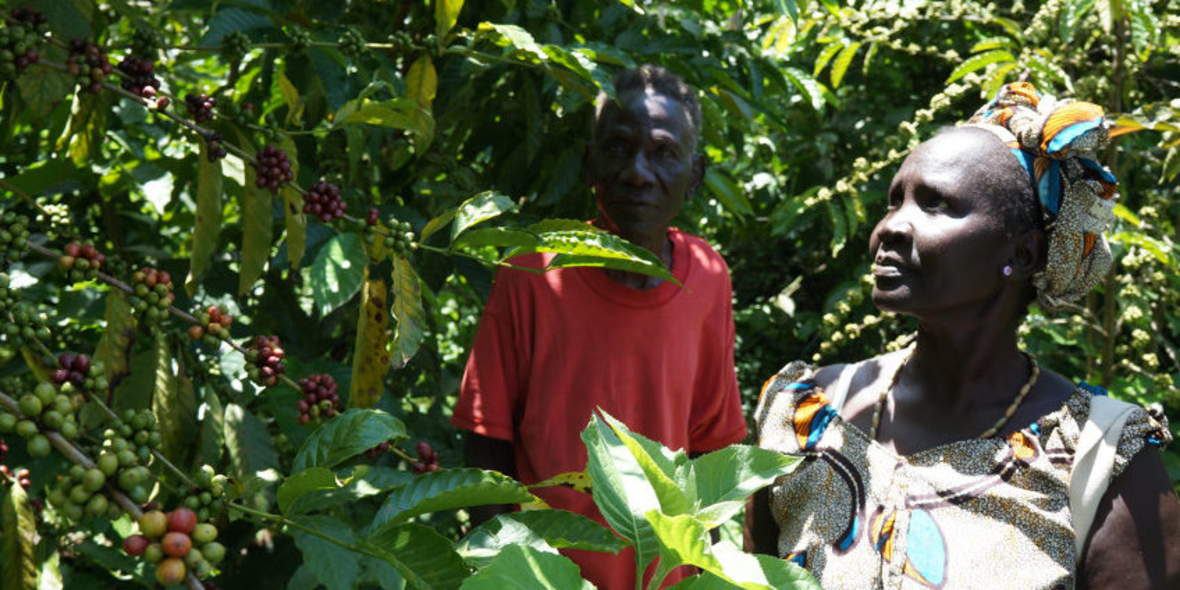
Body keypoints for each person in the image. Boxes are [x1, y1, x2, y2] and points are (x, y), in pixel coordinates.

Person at [747, 82, 1180, 589]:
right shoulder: (805, 416)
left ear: (1022, 255)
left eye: (935, 205)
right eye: (894, 201)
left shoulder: (1102, 459)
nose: (891, 228)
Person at [452, 65, 748, 589]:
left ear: (695, 174)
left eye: (663, 153)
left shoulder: (708, 278)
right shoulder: (533, 270)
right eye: (618, 147)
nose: (637, 172)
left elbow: (711, 447)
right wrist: (513, 569)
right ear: (591, 163)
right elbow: (486, 437)